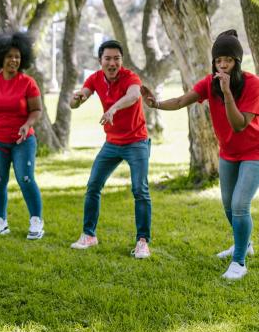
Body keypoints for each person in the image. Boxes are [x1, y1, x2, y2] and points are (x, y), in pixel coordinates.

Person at [142, 30, 258, 280]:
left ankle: (239, 262)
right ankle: (244, 245)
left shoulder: (252, 84)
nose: (223, 64)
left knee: (240, 204)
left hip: (253, 151)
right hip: (228, 152)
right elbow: (182, 99)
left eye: (228, 59)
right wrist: (156, 104)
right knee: (228, 205)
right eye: (218, 60)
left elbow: (239, 125)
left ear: (237, 61)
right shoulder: (208, 83)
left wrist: (227, 93)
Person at [69, 40, 152, 258]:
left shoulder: (130, 77)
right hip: (112, 143)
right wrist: (76, 99)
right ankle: (89, 235)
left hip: (137, 141)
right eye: (108, 58)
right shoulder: (95, 78)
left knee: (140, 190)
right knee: (93, 185)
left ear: (121, 60)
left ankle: (142, 241)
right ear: (100, 61)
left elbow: (134, 95)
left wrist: (113, 108)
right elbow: (80, 98)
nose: (112, 62)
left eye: (117, 58)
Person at [0, 32, 44, 240]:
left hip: (23, 141)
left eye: (18, 56)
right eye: (10, 56)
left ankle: (36, 221)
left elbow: (36, 110)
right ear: (0, 57)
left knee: (25, 179)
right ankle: (0, 222)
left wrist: (27, 125)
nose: (14, 60)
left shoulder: (28, 83)